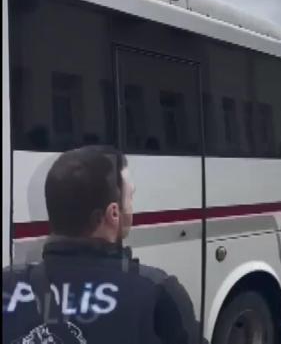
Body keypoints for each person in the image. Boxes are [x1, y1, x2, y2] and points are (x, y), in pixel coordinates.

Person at [2, 146, 200, 344]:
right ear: (113, 213)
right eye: (130, 197)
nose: (132, 206)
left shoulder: (7, 285)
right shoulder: (157, 293)